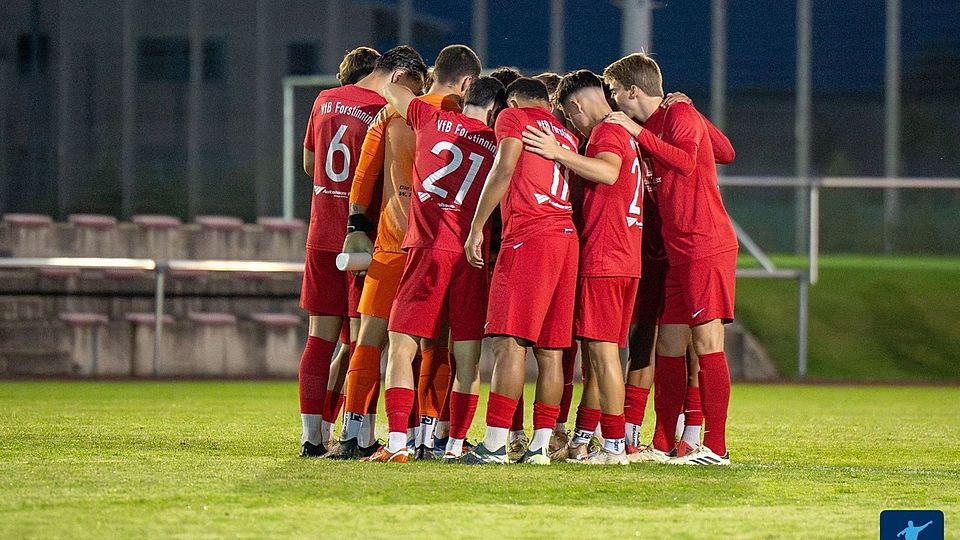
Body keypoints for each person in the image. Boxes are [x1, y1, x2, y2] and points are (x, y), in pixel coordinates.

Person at [328, 45, 480, 460]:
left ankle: (355, 433)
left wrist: (357, 227)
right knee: (436, 344)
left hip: (393, 243)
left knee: (371, 339)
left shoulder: (396, 112)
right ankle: (427, 435)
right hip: (446, 245)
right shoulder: (469, 121)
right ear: (467, 82)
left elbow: (364, 173)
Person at [605, 52, 739, 466]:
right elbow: (725, 151)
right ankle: (665, 443)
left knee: (706, 343)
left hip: (706, 245)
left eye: (615, 93)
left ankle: (715, 447)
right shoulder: (671, 117)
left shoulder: (675, 114)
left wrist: (639, 128)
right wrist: (692, 115)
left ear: (632, 90)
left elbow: (683, 161)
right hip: (681, 250)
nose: (613, 102)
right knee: (669, 343)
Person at [366, 77, 506, 462]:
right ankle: (456, 446)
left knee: (401, 347)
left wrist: (393, 81)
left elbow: (392, 93)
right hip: (471, 254)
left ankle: (396, 444)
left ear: (465, 102)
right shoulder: (499, 143)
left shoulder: (430, 117)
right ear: (495, 110)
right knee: (467, 359)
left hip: (428, 249)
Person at [297, 45, 426, 457]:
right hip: (366, 237)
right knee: (364, 340)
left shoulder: (323, 100)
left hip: (322, 231)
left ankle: (312, 437)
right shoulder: (383, 110)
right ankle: (361, 433)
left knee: (319, 340)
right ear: (398, 77)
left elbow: (308, 163)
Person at [522, 70, 644, 465]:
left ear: (575, 106)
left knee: (603, 356)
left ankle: (613, 447)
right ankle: (588, 438)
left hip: (606, 258)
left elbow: (607, 171)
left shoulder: (607, 133)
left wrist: (557, 153)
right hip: (626, 257)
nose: (572, 126)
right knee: (599, 356)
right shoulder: (625, 131)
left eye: (571, 118)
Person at [460, 78, 580, 465]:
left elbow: (504, 167)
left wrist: (476, 226)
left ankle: (495, 444)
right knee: (551, 353)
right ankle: (541, 447)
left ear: (511, 101)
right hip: (566, 237)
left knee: (508, 343)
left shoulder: (512, 117)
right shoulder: (566, 133)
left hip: (530, 235)